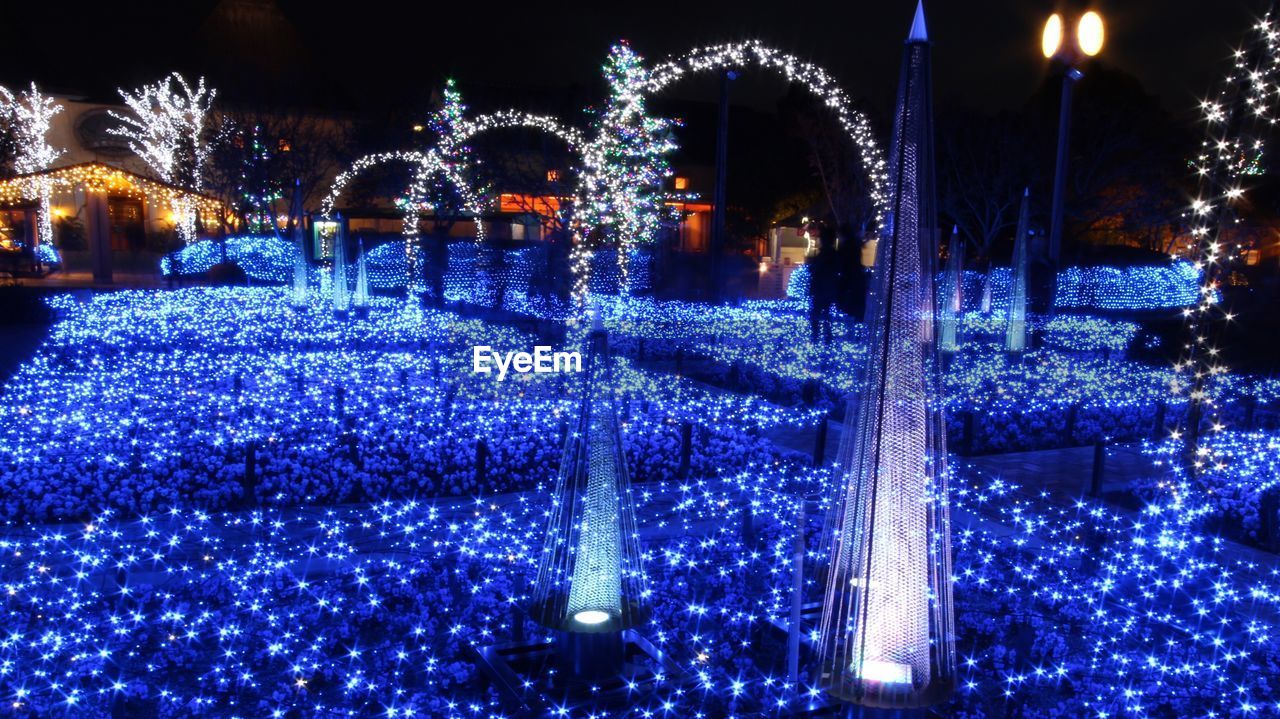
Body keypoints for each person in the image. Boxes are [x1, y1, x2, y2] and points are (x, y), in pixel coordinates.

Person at [808, 224, 839, 344]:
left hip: (821, 288)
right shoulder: (833, 254)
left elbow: (816, 270)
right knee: (825, 312)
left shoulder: (824, 254)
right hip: (828, 287)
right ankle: (826, 336)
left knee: (817, 312)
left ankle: (817, 336)